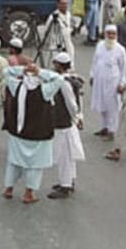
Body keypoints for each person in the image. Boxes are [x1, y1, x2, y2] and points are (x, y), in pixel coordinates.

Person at [2, 63, 64, 204]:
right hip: (38, 135)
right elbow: (59, 79)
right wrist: (40, 71)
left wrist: (23, 69)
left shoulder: (17, 86)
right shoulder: (45, 90)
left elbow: (6, 72)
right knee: (35, 166)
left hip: (19, 132)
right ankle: (29, 193)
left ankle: (8, 189)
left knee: (14, 162)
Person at [47, 53, 85, 199]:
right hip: (67, 122)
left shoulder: (64, 82)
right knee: (68, 154)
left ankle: (65, 185)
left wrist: (75, 117)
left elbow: (72, 104)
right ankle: (69, 181)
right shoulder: (71, 79)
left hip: (64, 122)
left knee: (64, 155)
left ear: (59, 65)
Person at [91, 24, 126, 147]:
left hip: (113, 82)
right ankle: (104, 127)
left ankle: (112, 130)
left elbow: (124, 68)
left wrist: (122, 83)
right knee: (102, 104)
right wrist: (92, 75)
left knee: (113, 107)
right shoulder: (100, 46)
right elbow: (95, 61)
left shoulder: (120, 49)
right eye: (109, 33)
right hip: (100, 80)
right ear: (105, 34)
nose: (111, 36)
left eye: (113, 34)